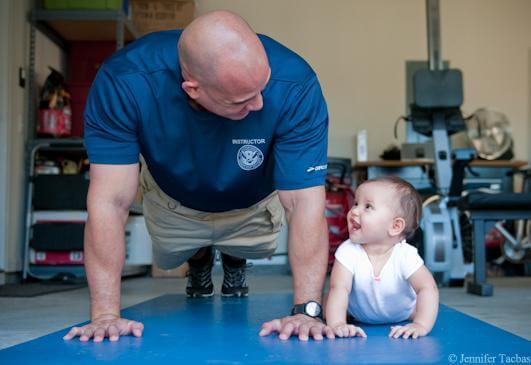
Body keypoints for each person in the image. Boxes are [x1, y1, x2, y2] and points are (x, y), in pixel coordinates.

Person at [63, 10, 331, 343]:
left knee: (253, 241)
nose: (261, 104)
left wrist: (308, 312)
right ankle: (200, 255)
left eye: (262, 88)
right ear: (192, 89)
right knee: (175, 251)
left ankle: (234, 255)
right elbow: (109, 201)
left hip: (253, 204)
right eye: (243, 99)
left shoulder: (295, 82)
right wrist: (104, 315)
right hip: (175, 204)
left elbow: (305, 202)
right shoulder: (125, 80)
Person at [325, 176, 439, 339]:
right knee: (329, 298)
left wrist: (421, 324)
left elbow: (428, 288)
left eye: (368, 206)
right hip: (358, 315)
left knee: (421, 305)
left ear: (395, 226)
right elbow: (339, 289)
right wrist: (337, 323)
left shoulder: (405, 255)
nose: (354, 211)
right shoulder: (347, 251)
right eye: (356, 203)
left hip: (403, 314)